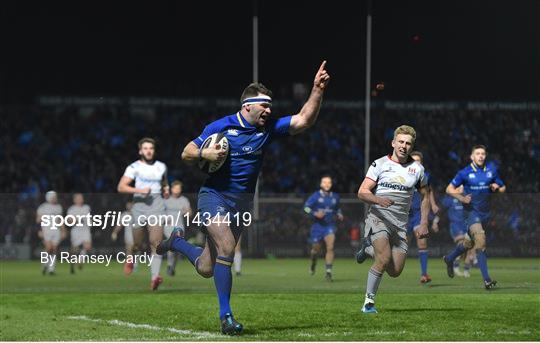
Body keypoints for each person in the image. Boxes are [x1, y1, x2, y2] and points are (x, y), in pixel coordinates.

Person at [157, 61, 330, 335]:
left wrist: (317, 90)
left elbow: (304, 119)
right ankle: (226, 317)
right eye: (265, 106)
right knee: (227, 246)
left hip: (241, 204)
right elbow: (186, 152)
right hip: (213, 196)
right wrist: (205, 154)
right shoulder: (221, 126)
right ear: (248, 105)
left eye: (270, 106)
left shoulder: (268, 129)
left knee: (205, 267)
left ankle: (177, 242)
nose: (269, 111)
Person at [355, 125, 430, 313]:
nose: (404, 146)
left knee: (395, 271)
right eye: (401, 142)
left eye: (408, 143)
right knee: (384, 258)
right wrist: (378, 199)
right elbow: (362, 192)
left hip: (400, 225)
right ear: (393, 143)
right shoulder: (379, 164)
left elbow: (426, 196)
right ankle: (368, 303)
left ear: (412, 146)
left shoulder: (418, 169)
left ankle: (367, 249)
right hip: (378, 218)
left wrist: (424, 222)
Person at [443, 145, 505, 290]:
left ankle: (450, 258)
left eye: (483, 153)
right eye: (477, 153)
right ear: (472, 156)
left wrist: (497, 189)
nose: (481, 156)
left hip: (486, 215)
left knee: (469, 244)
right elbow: (448, 189)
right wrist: (462, 198)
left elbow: (503, 188)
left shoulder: (492, 170)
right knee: (481, 241)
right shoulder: (464, 172)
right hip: (471, 214)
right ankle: (487, 280)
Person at [117, 138, 169, 290]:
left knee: (156, 242)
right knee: (137, 244)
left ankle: (154, 278)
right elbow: (121, 187)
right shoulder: (133, 167)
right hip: (139, 207)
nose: (148, 151)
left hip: (157, 206)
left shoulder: (161, 167)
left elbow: (165, 182)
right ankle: (131, 258)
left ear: (154, 150)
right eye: (145, 148)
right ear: (140, 151)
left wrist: (166, 190)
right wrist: (139, 190)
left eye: (151, 148)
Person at [406, 151, 440, 284]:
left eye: (418, 160)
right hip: (403, 215)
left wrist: (433, 204)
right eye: (413, 160)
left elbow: (428, 191)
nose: (416, 163)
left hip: (418, 214)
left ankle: (424, 274)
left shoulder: (424, 175)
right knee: (402, 244)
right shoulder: (401, 174)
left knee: (422, 241)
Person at [304, 175, 343, 281]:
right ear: (321, 184)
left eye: (329, 182)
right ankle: (313, 263)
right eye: (324, 182)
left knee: (330, 247)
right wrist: (314, 213)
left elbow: (337, 208)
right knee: (315, 250)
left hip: (329, 226)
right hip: (317, 227)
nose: (327, 184)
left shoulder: (335, 197)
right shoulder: (315, 196)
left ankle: (328, 272)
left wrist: (339, 214)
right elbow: (306, 208)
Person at [434, 186, 473, 277]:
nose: (461, 189)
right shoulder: (450, 199)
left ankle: (466, 269)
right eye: (459, 187)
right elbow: (441, 211)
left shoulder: (466, 199)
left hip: (466, 225)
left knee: (469, 247)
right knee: (461, 243)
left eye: (462, 187)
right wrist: (435, 221)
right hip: (455, 226)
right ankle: (455, 267)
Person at [163, 180, 192, 276]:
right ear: (172, 189)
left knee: (176, 249)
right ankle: (169, 266)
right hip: (168, 227)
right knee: (172, 245)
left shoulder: (184, 200)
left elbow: (190, 213)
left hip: (180, 227)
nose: (177, 190)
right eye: (175, 188)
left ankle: (172, 267)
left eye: (179, 188)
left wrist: (187, 212)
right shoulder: (166, 200)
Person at [36, 191, 66, 275]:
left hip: (56, 230)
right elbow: (38, 220)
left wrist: (63, 231)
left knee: (54, 249)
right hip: (46, 230)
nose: (55, 198)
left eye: (55, 197)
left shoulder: (59, 207)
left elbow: (60, 220)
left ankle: (51, 269)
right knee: (49, 248)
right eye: (53, 197)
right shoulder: (42, 207)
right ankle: (45, 264)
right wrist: (39, 231)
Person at [67, 193, 92, 274]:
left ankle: (80, 260)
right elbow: (69, 221)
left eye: (81, 198)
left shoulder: (86, 207)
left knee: (87, 247)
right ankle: (72, 264)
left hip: (85, 229)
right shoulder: (72, 209)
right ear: (75, 200)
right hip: (76, 230)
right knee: (75, 249)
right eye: (78, 198)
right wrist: (76, 220)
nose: (80, 199)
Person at [111, 201, 137, 275]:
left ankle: (135, 265)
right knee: (129, 251)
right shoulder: (124, 214)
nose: (129, 206)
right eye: (127, 204)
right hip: (128, 234)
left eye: (130, 204)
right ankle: (129, 266)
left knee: (135, 250)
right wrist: (114, 232)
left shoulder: (138, 213)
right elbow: (120, 224)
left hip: (136, 234)